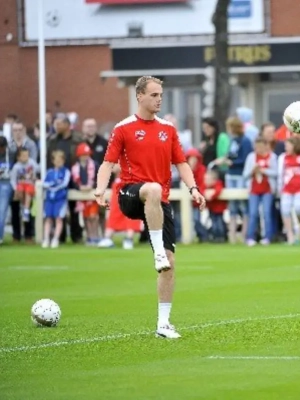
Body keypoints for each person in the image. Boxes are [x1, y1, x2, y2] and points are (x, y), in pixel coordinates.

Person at [94, 76, 206, 340]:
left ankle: (163, 324)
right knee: (153, 189)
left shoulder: (168, 129)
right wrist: (100, 190)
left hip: (158, 203)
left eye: (161, 95)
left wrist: (194, 189)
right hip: (130, 194)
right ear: (140, 96)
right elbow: (107, 163)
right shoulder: (123, 128)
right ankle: (157, 252)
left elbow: (182, 163)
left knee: (170, 264)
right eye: (154, 95)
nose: (159, 99)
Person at [41, 150, 70, 249]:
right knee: (48, 218)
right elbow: (44, 183)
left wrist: (53, 185)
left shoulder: (66, 171)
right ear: (53, 161)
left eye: (60, 160)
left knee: (58, 218)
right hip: (49, 198)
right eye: (56, 160)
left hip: (60, 199)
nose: (58, 162)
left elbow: (64, 184)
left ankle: (55, 239)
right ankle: (46, 239)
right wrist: (53, 184)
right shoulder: (49, 172)